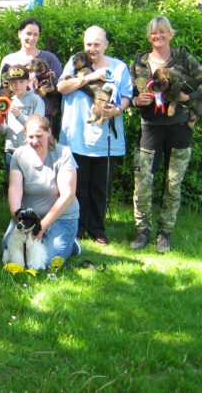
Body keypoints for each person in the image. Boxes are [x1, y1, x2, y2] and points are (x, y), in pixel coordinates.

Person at [129, 16, 202, 253]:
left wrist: (190, 97)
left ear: (171, 34)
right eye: (154, 33)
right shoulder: (140, 63)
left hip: (179, 128)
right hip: (150, 128)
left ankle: (164, 233)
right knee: (143, 182)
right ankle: (142, 231)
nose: (159, 36)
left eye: (163, 32)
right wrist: (136, 100)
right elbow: (126, 94)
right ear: (149, 36)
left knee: (173, 183)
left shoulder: (183, 58)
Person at [57, 26, 132, 245]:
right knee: (78, 185)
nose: (92, 49)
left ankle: (98, 228)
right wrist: (89, 77)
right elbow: (61, 87)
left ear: (106, 45)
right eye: (89, 44)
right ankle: (79, 227)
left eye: (97, 44)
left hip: (104, 138)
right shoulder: (75, 61)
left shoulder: (119, 67)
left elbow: (127, 96)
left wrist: (117, 110)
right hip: (76, 134)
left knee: (100, 186)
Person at [2, 115, 81, 267]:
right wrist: (20, 222)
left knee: (45, 262)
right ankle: (46, 239)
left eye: (39, 136)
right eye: (30, 137)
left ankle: (71, 245)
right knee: (10, 253)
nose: (35, 141)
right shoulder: (19, 155)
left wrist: (41, 227)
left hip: (61, 217)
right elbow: (15, 191)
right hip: (29, 218)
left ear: (49, 132)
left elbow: (68, 195)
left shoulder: (63, 153)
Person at [0, 17, 63, 134]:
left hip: (45, 118)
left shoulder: (50, 58)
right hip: (16, 118)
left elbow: (60, 89)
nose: (31, 38)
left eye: (35, 35)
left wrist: (49, 89)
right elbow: (2, 90)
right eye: (28, 33)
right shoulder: (9, 60)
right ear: (19, 33)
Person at [0, 65, 45, 172]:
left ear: (28, 81)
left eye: (21, 81)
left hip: (31, 150)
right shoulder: (8, 101)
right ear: (9, 83)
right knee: (13, 185)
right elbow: (3, 131)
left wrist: (19, 115)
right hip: (11, 150)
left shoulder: (35, 100)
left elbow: (39, 127)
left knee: (30, 186)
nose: (17, 85)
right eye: (14, 82)